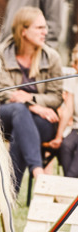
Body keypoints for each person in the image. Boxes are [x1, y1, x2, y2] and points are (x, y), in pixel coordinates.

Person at [0, 7, 63, 198]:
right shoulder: (2, 54)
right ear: (23, 31)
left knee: (23, 126)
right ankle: (37, 171)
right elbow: (3, 92)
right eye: (39, 28)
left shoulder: (51, 58)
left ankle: (10, 195)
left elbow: (56, 97)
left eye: (45, 28)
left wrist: (29, 98)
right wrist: (33, 105)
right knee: (19, 111)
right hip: (6, 116)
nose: (45, 32)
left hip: (41, 122)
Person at [48, 44, 78, 177]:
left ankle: (69, 186)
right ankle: (69, 187)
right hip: (76, 130)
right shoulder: (73, 80)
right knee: (65, 147)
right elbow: (68, 110)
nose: (74, 66)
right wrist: (59, 136)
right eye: (75, 62)